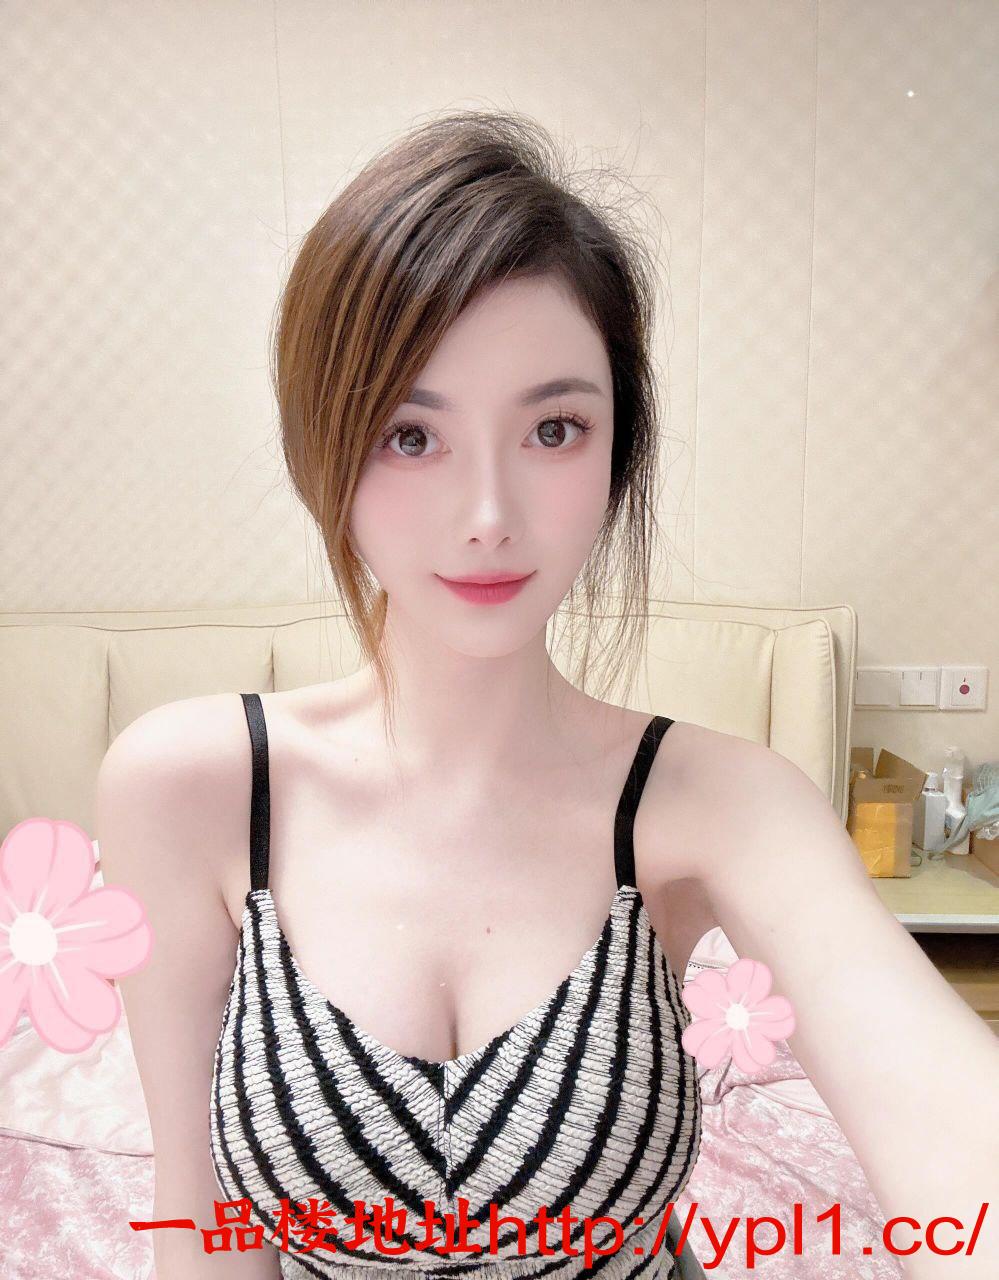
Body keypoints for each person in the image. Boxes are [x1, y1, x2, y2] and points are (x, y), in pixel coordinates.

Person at [97, 110, 999, 1280]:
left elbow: (939, 1105)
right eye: (409, 434)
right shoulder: (192, 788)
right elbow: (200, 1219)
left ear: (618, 452)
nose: (489, 514)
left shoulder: (721, 804)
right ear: (324, 447)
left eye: (554, 428)